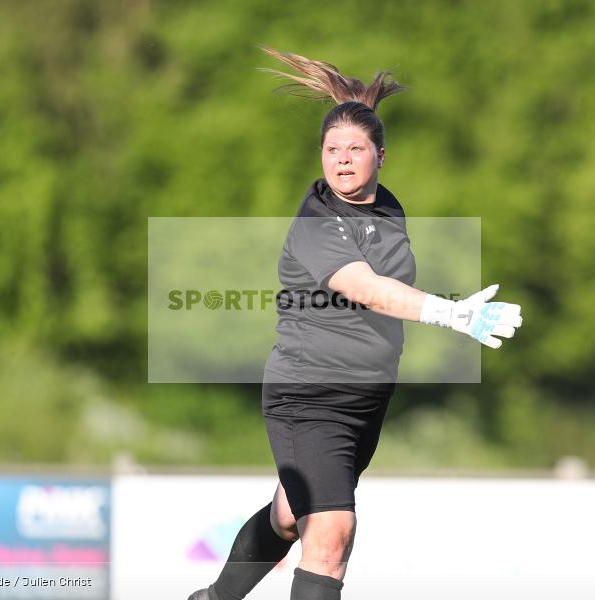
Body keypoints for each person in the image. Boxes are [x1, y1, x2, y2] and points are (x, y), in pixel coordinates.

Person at [188, 46, 522, 600]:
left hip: (365, 396)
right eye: (331, 149)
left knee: (291, 517)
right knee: (332, 532)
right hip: (308, 392)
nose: (341, 159)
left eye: (355, 148)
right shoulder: (317, 221)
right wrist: (452, 312)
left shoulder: (387, 209)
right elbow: (369, 289)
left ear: (381, 157)